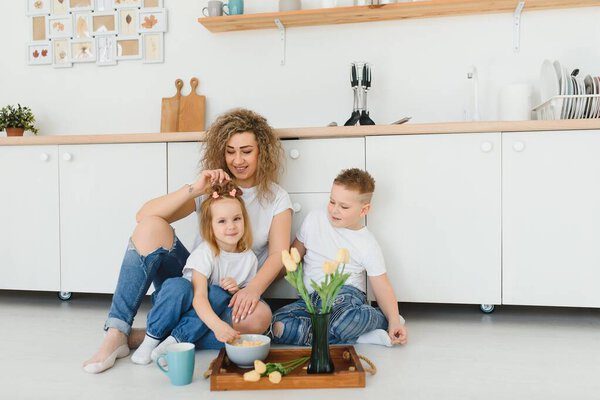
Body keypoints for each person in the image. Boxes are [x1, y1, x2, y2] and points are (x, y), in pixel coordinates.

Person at [83, 108, 292, 373]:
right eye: (230, 151)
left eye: (246, 151)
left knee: (260, 319)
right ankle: (117, 332)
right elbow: (143, 216)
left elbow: (279, 255)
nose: (237, 159)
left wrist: (252, 291)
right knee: (150, 227)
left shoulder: (277, 197)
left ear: (262, 150)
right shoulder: (212, 189)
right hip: (191, 285)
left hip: (231, 293)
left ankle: (149, 335)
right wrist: (195, 188)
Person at [272, 168, 408, 347]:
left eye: (344, 207)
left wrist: (394, 321)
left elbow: (382, 286)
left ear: (364, 210)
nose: (334, 210)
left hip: (345, 297)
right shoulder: (314, 219)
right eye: (332, 202)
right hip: (312, 299)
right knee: (278, 326)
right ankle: (359, 337)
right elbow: (293, 256)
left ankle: (381, 318)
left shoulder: (367, 243)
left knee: (342, 321)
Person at [131, 182, 258, 364]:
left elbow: (241, 299)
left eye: (237, 219)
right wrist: (217, 326)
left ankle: (175, 342)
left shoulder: (249, 258)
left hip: (201, 317)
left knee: (219, 293)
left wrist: (235, 291)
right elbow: (199, 297)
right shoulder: (206, 252)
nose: (231, 226)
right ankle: (151, 338)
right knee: (179, 285)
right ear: (210, 227)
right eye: (222, 221)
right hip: (177, 304)